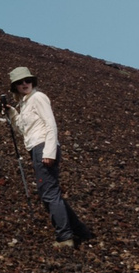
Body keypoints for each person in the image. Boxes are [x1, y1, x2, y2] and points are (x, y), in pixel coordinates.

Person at [8, 65, 91, 248]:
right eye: (20, 82)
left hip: (43, 147)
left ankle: (65, 237)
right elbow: (23, 129)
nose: (25, 84)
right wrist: (12, 113)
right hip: (36, 148)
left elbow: (51, 125)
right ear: (15, 86)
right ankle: (80, 231)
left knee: (49, 193)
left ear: (33, 81)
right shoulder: (25, 104)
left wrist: (49, 152)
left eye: (27, 80)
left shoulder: (38, 98)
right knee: (50, 191)